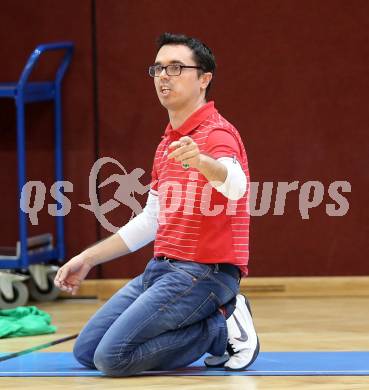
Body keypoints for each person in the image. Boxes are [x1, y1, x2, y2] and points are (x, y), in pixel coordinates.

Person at [54, 32, 259, 376]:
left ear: (204, 79)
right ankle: (212, 324)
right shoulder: (168, 143)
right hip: (162, 270)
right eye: (159, 68)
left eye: (177, 68)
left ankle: (221, 327)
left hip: (205, 273)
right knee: (87, 351)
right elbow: (152, 220)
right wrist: (87, 258)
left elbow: (236, 186)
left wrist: (203, 162)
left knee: (112, 358)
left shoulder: (217, 134)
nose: (164, 76)